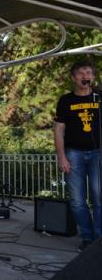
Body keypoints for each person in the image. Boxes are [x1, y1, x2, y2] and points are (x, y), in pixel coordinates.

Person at [54, 60, 102, 251]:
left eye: (89, 73)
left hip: (98, 152)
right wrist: (62, 157)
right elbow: (58, 131)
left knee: (99, 198)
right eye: (81, 73)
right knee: (77, 200)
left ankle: (99, 239)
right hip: (73, 154)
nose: (85, 76)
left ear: (93, 77)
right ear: (74, 78)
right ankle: (88, 238)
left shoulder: (99, 97)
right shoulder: (66, 101)